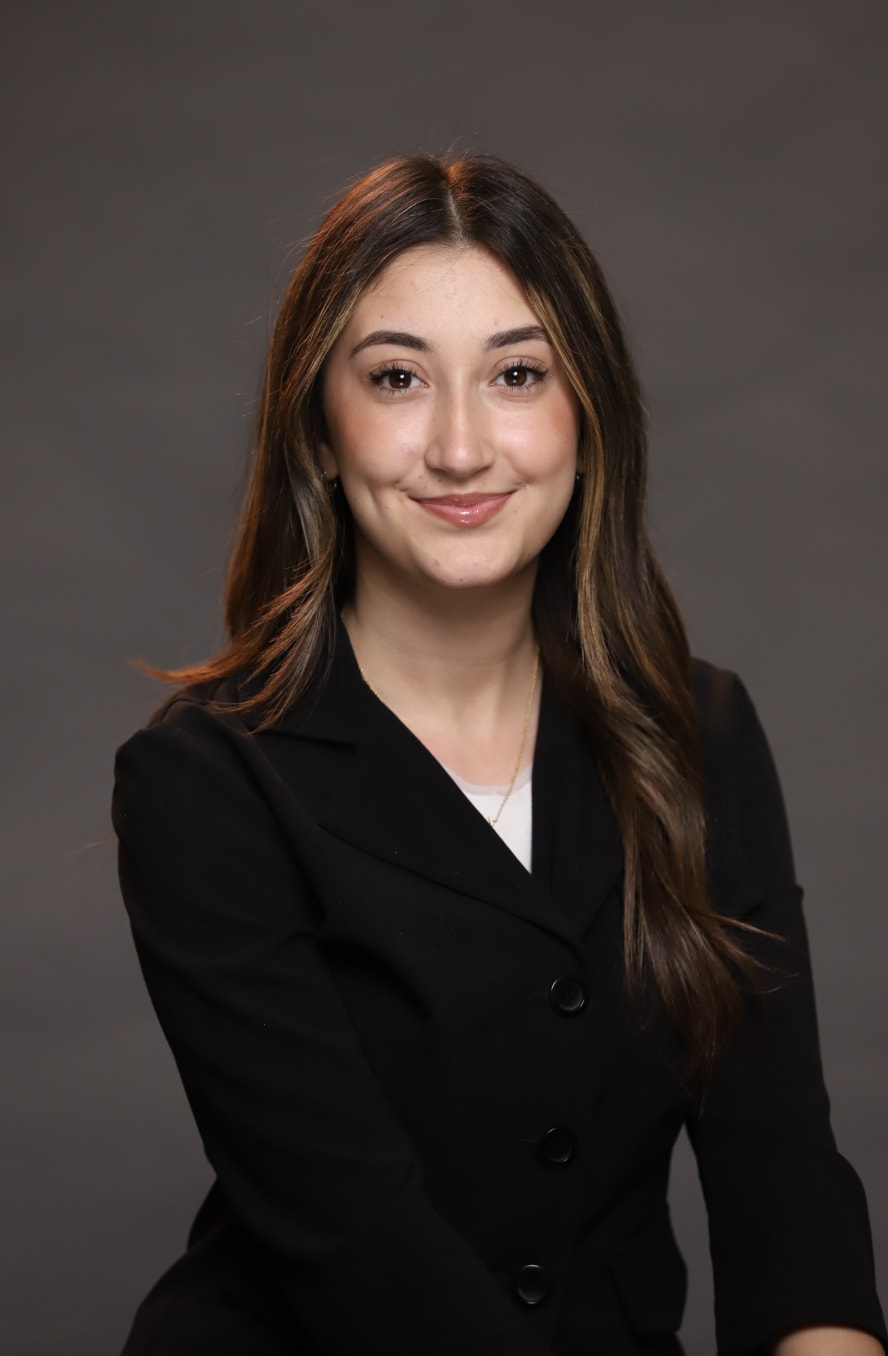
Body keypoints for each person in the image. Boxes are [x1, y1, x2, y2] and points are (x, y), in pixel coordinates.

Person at [112, 153, 885, 1356]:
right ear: (319, 428)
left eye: (517, 374)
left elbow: (782, 1181)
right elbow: (358, 1246)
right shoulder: (206, 783)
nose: (463, 447)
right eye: (398, 378)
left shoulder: (703, 735)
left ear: (588, 416)